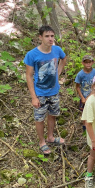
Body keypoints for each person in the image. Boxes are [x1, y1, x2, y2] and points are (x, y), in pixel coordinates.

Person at [24, 25, 67, 155]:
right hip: (40, 93)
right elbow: (29, 75)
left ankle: (50, 137)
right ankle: (42, 142)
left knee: (52, 115)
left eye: (52, 36)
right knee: (39, 118)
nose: (50, 39)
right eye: (47, 36)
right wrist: (33, 97)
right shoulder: (32, 55)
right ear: (40, 37)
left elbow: (64, 59)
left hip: (54, 91)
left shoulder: (57, 50)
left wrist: (57, 73)